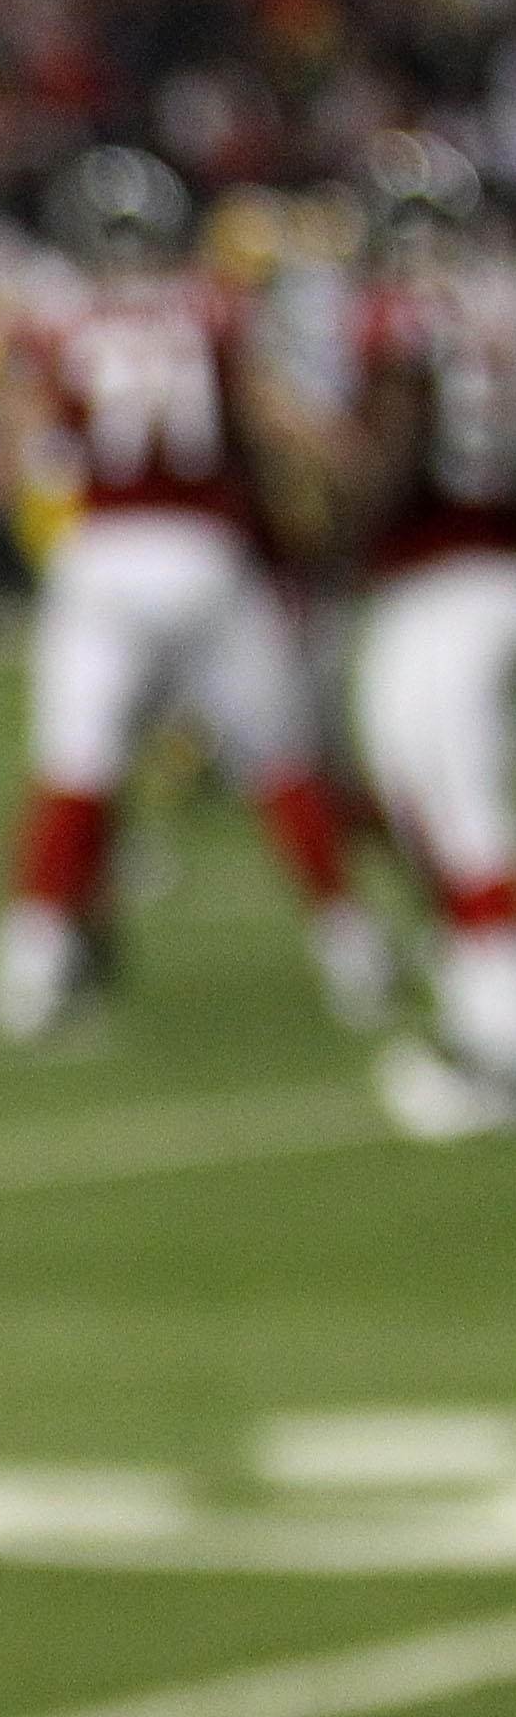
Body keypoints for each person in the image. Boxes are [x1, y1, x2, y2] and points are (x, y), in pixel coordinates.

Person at [0, 146, 391, 1042]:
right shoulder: (214, 307)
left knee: (74, 768)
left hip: (103, 555)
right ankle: (353, 952)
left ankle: (28, 974)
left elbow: (9, 457)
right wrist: (353, 464)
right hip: (208, 556)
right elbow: (278, 421)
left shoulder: (53, 319)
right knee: (279, 764)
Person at [340, 133, 516, 1137]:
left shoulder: (401, 316)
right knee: (432, 801)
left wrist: (338, 510)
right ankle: (471, 1006)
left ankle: (493, 1039)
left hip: (435, 588)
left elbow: (397, 451)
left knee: (448, 805)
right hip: (495, 571)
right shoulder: (497, 301)